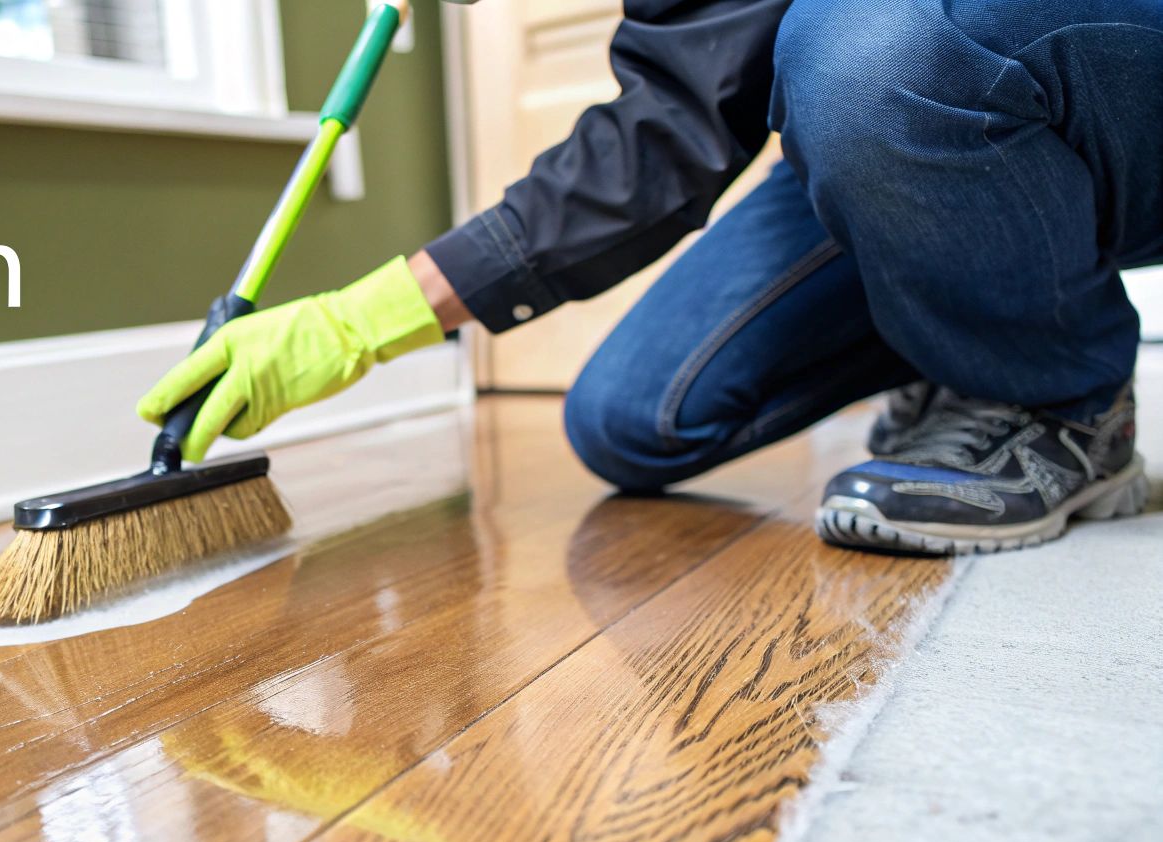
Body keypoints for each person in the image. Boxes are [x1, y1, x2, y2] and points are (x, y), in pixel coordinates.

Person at [137, 0, 1159, 556]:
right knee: (633, 416)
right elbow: (678, 111)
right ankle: (966, 297)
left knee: (866, 42)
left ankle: (1059, 401)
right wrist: (364, 321)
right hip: (930, 89)